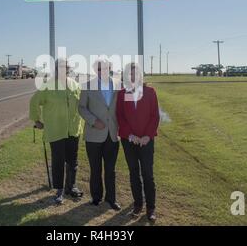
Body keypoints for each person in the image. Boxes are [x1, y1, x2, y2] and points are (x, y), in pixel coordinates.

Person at [29, 58, 84, 204]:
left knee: (73, 161)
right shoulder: (48, 86)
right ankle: (59, 189)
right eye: (60, 67)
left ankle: (71, 187)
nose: (63, 69)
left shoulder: (75, 85)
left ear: (68, 69)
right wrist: (37, 120)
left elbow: (82, 105)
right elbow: (34, 102)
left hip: (73, 130)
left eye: (65, 67)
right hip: (56, 130)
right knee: (58, 161)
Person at [116, 62, 160, 222]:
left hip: (146, 141)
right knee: (134, 173)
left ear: (141, 75)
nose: (133, 77)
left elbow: (154, 116)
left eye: (136, 73)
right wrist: (130, 135)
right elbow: (120, 117)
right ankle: (138, 204)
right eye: (130, 74)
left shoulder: (149, 92)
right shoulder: (122, 94)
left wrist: (147, 136)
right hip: (129, 141)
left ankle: (151, 208)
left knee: (148, 174)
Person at [78, 58, 122, 211]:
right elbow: (82, 108)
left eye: (104, 68)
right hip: (93, 135)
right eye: (98, 68)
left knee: (110, 169)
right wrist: (93, 121)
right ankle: (96, 197)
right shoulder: (87, 85)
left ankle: (111, 199)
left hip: (112, 134)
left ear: (109, 68)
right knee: (95, 168)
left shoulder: (118, 84)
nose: (101, 71)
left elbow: (122, 107)